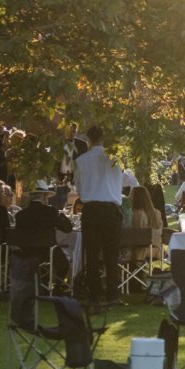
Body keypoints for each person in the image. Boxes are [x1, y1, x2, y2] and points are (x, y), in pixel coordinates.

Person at [71, 127, 127, 302]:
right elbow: (120, 184)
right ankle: (113, 294)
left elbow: (79, 188)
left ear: (88, 139)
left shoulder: (81, 161)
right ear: (103, 138)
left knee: (92, 254)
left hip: (91, 209)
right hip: (110, 208)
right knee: (112, 253)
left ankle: (94, 293)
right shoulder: (115, 160)